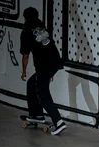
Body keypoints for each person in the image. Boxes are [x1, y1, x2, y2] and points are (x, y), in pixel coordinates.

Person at [20, 7, 66, 136]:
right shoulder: (42, 27)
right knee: (31, 83)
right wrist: (50, 72)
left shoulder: (26, 32)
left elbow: (25, 55)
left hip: (44, 66)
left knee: (43, 93)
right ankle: (37, 115)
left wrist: (23, 71)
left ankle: (59, 122)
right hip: (53, 63)